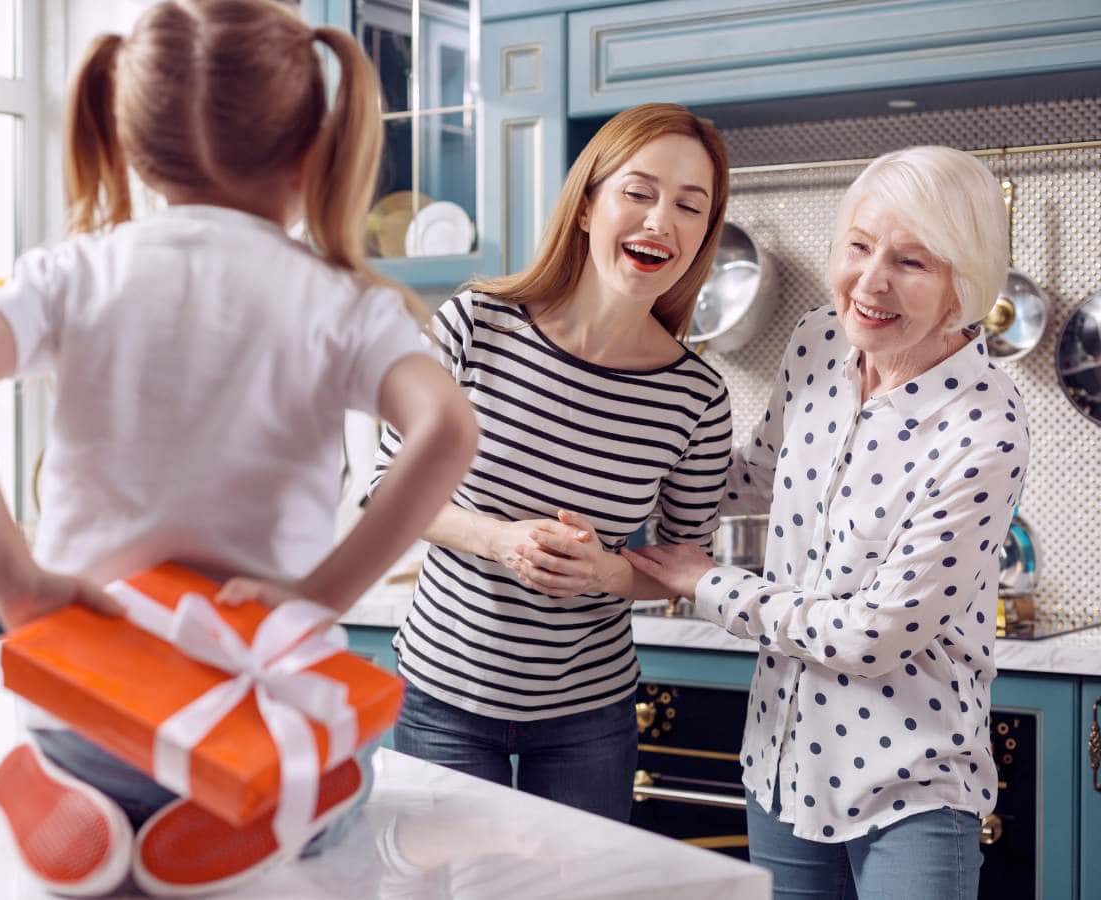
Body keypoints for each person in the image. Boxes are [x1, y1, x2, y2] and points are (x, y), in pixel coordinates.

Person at [0, 1, 476, 896]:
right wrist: (317, 598)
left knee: (92, 749)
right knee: (348, 773)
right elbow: (448, 429)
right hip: (242, 720)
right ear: (309, 151)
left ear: (136, 146)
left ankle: (75, 794)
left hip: (83, 710)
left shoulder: (80, 270)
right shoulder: (341, 304)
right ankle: (239, 821)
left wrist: (13, 580)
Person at [625, 145, 1028, 899]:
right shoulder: (816, 339)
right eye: (859, 247)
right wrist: (617, 476)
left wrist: (703, 582)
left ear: (962, 283)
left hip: (911, 791)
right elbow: (752, 475)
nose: (871, 283)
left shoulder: (985, 426)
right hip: (783, 765)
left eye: (912, 262)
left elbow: (871, 636)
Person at [370, 103, 733, 822]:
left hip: (586, 722)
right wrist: (500, 541)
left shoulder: (696, 396)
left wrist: (602, 571)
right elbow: (388, 490)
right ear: (587, 206)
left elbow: (679, 565)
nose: (662, 221)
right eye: (639, 192)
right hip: (444, 694)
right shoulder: (475, 325)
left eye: (690, 206)